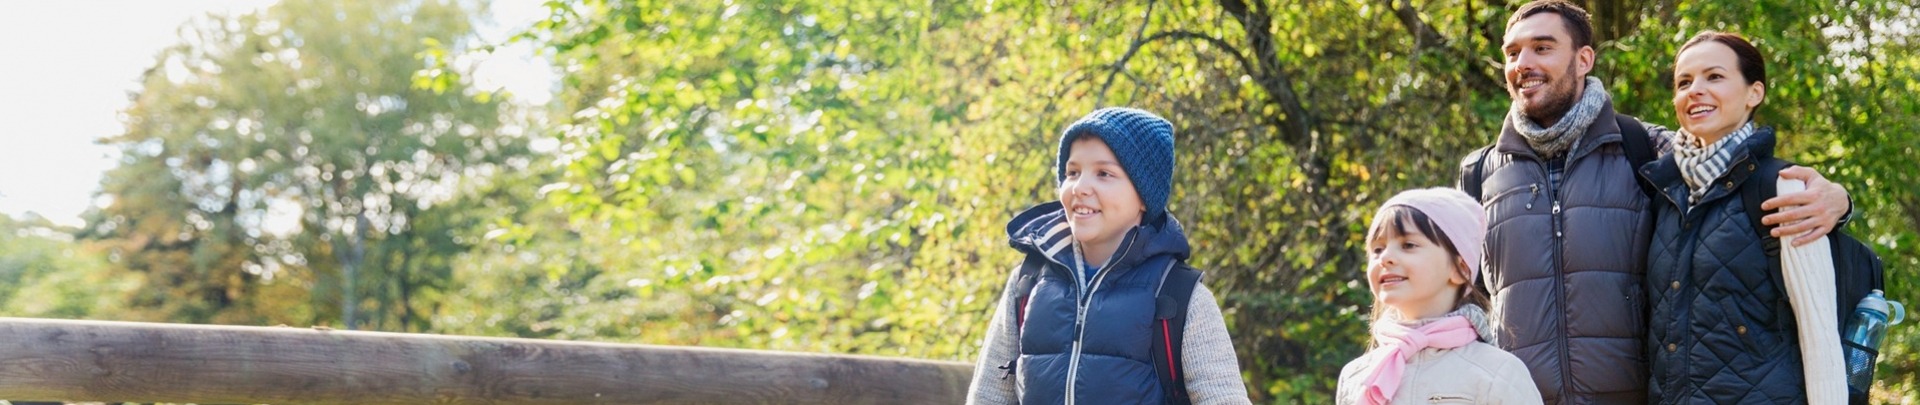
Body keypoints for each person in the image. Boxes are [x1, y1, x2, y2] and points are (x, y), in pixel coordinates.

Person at [1457, 1, 1854, 403]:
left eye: (1542, 48)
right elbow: (1459, 301)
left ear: (1584, 60)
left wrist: (1838, 199)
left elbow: (1728, 174)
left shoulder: (1647, 150)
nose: (1523, 63)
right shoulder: (1478, 174)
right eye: (1512, 53)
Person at [965, 107, 1251, 404]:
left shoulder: (1179, 296)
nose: (1080, 187)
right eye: (1072, 172)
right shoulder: (1028, 283)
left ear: (1143, 196)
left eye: (1104, 173)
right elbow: (988, 396)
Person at [1642, 31, 1841, 403]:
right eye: (1684, 82)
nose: (1695, 90)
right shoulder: (1664, 193)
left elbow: (1820, 334)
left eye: (1714, 77)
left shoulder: (1785, 188)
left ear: (1754, 93)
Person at [1337, 188, 1541, 405]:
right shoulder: (1357, 376)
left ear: (1460, 269)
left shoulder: (1498, 372)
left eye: (1408, 245)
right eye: (1377, 249)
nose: (1385, 258)